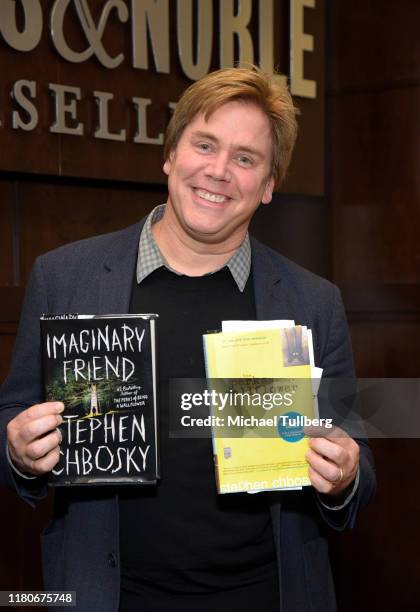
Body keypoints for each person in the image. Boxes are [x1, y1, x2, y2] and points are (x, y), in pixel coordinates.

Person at [0, 67, 375, 612]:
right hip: (109, 596)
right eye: (205, 144)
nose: (219, 171)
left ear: (268, 185)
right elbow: (12, 410)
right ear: (171, 154)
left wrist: (344, 474)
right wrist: (17, 450)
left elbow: (359, 465)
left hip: (264, 596)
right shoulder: (64, 277)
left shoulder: (312, 302)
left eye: (246, 158)